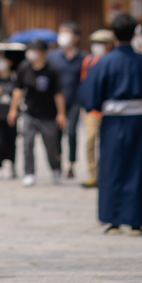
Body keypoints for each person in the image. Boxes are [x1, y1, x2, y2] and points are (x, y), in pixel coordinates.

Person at [79, 12, 142, 234]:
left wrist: (95, 105)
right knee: (135, 167)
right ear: (134, 33)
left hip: (112, 120)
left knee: (111, 167)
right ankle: (135, 220)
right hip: (136, 118)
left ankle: (111, 219)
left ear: (112, 34)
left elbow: (90, 96)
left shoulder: (104, 62)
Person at [7, 39, 66, 186]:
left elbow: (58, 93)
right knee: (27, 143)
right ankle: (29, 172)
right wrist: (13, 110)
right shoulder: (24, 68)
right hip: (29, 112)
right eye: (30, 50)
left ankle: (55, 169)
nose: (31, 53)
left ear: (43, 53)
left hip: (48, 114)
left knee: (51, 145)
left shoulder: (51, 70)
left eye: (35, 50)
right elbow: (18, 90)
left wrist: (61, 114)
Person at [48, 22, 84, 179]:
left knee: (71, 133)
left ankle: (71, 164)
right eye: (61, 32)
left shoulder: (83, 57)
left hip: (75, 100)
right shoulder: (52, 56)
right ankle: (57, 162)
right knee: (55, 133)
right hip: (55, 102)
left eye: (67, 33)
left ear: (76, 37)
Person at [79, 29, 115, 188]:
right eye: (95, 43)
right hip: (92, 109)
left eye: (101, 43)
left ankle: (108, 174)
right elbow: (84, 84)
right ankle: (93, 174)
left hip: (111, 109)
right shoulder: (88, 61)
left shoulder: (114, 60)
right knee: (90, 140)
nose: (97, 46)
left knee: (109, 144)